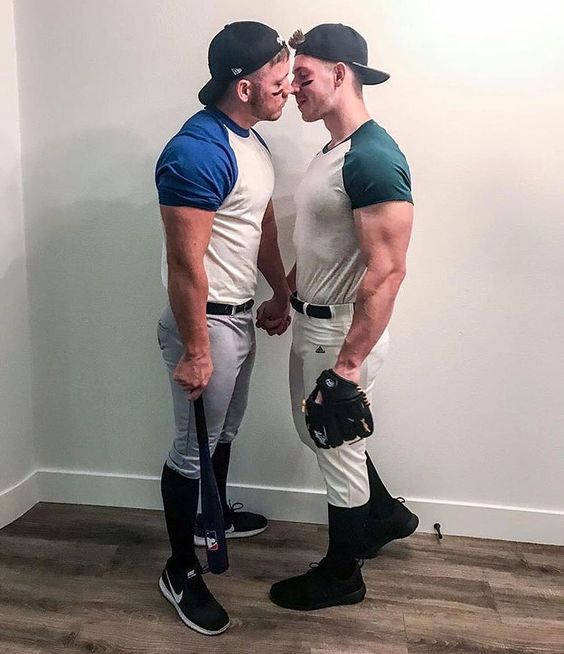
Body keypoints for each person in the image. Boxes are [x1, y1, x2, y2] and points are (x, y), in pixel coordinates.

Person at [260, 23, 419, 611]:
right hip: (313, 322)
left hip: (339, 333)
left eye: (302, 77)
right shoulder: (333, 151)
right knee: (319, 434)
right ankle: (383, 516)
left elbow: (388, 271)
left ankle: (342, 574)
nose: (291, 88)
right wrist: (285, 294)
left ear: (340, 74)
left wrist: (348, 366)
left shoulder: (372, 157)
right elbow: (322, 245)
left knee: (337, 446)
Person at [155, 21, 291, 635]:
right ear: (243, 87)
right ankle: (180, 569)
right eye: (278, 83)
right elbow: (185, 264)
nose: (288, 90)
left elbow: (262, 227)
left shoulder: (253, 142)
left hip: (238, 319)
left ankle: (213, 517)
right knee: (192, 450)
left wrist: (280, 291)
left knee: (223, 433)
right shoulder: (197, 151)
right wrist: (195, 349)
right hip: (204, 325)